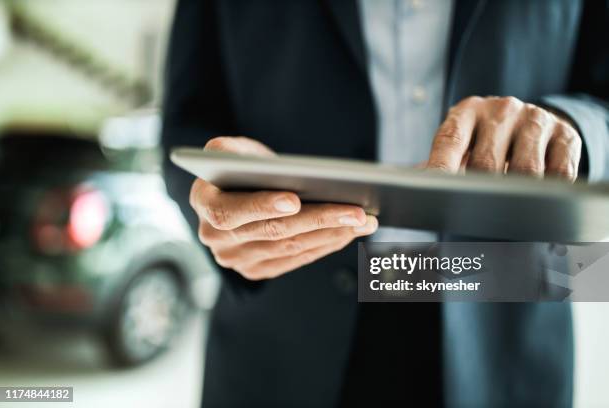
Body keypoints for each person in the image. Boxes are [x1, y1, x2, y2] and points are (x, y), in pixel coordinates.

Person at [161, 0, 608, 406]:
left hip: (503, 325)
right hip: (286, 331)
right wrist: (227, 215)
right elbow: (185, 125)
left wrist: (569, 131)